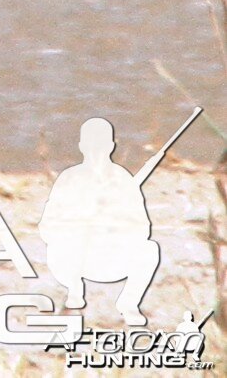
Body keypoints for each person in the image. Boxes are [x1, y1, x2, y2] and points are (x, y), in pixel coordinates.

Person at [36, 116, 162, 325]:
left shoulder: (123, 180)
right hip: (73, 260)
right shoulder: (69, 179)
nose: (96, 151)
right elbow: (46, 226)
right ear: (82, 146)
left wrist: (115, 225)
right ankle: (74, 294)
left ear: (112, 146)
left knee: (150, 250)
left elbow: (143, 229)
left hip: (113, 256)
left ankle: (129, 303)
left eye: (101, 144)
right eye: (91, 145)